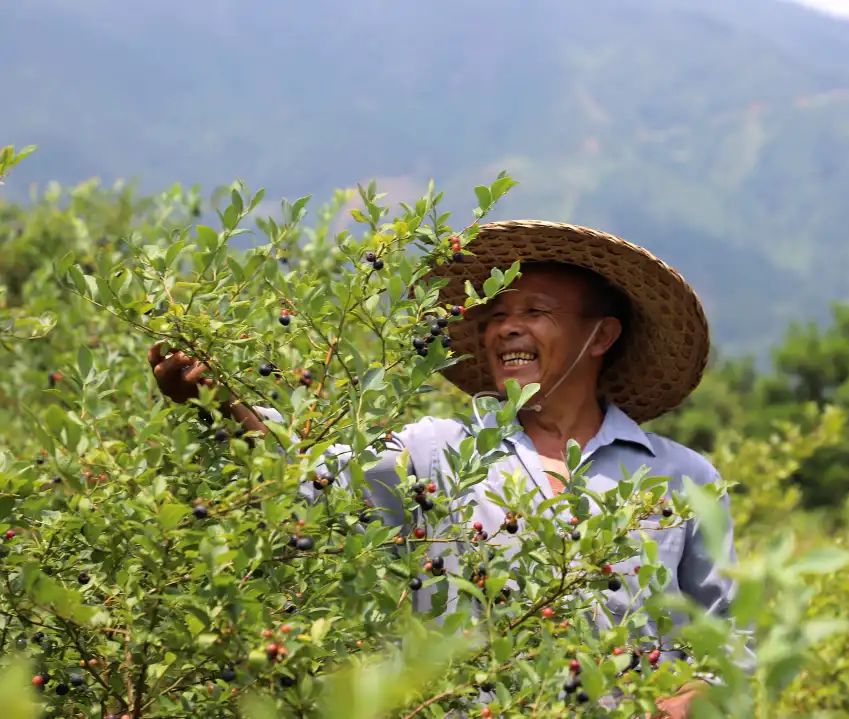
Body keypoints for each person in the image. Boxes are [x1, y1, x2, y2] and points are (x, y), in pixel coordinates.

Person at [149, 220, 746, 717]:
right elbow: (310, 475)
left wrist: (696, 698)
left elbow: (732, 637)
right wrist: (219, 405)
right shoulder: (433, 454)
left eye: (536, 310)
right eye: (496, 315)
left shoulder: (683, 478)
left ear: (601, 336)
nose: (507, 327)